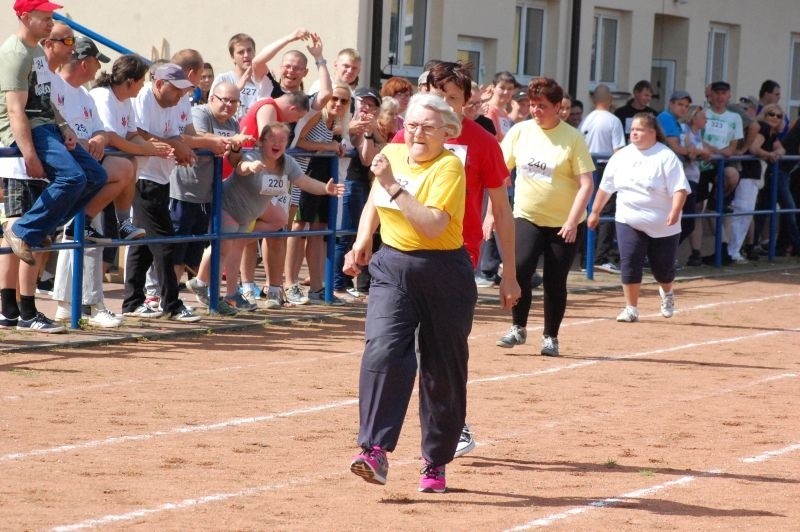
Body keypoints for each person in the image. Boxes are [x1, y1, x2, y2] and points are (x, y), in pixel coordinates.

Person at [346, 93, 474, 494]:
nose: (417, 133)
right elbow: (373, 198)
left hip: (443, 273)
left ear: (447, 132)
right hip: (392, 267)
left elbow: (432, 225)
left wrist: (391, 185)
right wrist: (364, 238)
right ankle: (374, 451)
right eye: (412, 124)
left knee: (441, 371)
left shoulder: (449, 167)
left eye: (427, 127)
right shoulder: (394, 153)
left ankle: (435, 461)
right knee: (382, 350)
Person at [394, 61, 520, 458]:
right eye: (436, 95)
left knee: (443, 352)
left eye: (452, 98)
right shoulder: (406, 136)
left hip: (456, 257)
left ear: (468, 102)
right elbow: (382, 190)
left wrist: (509, 273)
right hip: (405, 253)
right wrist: (365, 240)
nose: (443, 104)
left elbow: (501, 210)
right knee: (399, 349)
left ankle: (452, 426)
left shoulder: (483, 143)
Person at [186, 122, 343, 312]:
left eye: (282, 140)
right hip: (229, 206)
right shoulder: (254, 155)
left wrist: (325, 189)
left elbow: (304, 181)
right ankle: (209, 291)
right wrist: (250, 166)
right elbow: (241, 166)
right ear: (262, 142)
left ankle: (213, 288)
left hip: (248, 215)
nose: (277, 143)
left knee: (234, 247)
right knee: (222, 248)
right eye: (272, 139)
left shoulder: (287, 163)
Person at [0, 0, 108, 268]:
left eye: (51, 17)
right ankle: (22, 230)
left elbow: (46, 100)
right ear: (25, 17)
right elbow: (15, 111)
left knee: (96, 176)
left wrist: (64, 127)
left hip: (47, 125)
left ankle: (42, 228)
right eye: (44, 17)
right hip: (30, 127)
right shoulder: (14, 54)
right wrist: (29, 155)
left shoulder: (36, 51)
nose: (50, 22)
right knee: (72, 178)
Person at [496, 77, 595, 357]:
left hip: (565, 221)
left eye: (542, 106)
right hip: (527, 214)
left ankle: (550, 336)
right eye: (532, 105)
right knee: (521, 269)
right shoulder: (520, 132)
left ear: (558, 107)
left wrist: (572, 221)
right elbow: (501, 173)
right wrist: (493, 211)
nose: (535, 111)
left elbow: (586, 183)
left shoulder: (572, 138)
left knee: (555, 280)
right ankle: (518, 327)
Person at [588, 113, 690, 322]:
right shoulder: (621, 156)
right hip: (628, 218)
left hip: (663, 223)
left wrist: (675, 210)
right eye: (632, 129)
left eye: (640, 129)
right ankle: (631, 307)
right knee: (630, 261)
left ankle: (667, 292)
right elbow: (606, 188)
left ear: (652, 132)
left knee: (663, 269)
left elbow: (680, 188)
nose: (634, 133)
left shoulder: (665, 156)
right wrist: (595, 211)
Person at [120, 63, 201, 322]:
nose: (180, 95)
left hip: (161, 178)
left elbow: (174, 136)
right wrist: (176, 146)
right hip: (143, 177)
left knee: (143, 243)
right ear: (158, 84)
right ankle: (171, 304)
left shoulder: (174, 103)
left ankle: (133, 301)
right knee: (165, 242)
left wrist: (179, 149)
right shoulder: (144, 97)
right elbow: (140, 133)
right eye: (175, 89)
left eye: (182, 90)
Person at [285, 83, 352, 305]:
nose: (338, 104)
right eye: (335, 98)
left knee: (318, 230)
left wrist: (333, 145)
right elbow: (298, 141)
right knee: (297, 227)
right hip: (303, 174)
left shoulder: (337, 124)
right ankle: (290, 283)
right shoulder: (317, 117)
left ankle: (316, 288)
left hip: (324, 177)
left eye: (343, 100)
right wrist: (329, 146)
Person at [332, 87, 383, 301]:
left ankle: (347, 283)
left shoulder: (373, 128)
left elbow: (367, 158)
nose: (366, 108)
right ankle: (337, 284)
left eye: (372, 105)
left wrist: (370, 132)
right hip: (346, 181)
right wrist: (354, 129)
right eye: (363, 103)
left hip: (363, 182)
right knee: (344, 235)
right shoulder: (343, 121)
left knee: (359, 234)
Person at [579, 83, 625, 274]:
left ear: (592, 99)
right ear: (610, 100)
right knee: (605, 212)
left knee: (587, 210)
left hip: (585, 168)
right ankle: (601, 257)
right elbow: (618, 151)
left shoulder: (586, 120)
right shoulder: (613, 120)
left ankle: (585, 259)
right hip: (605, 167)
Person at [751, 104, 800, 256]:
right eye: (771, 114)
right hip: (777, 172)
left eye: (779, 116)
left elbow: (782, 149)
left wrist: (776, 153)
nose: (775, 118)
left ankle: (752, 245)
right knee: (789, 209)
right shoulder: (764, 129)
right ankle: (797, 246)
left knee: (763, 211)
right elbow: (754, 148)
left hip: (779, 172)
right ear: (764, 114)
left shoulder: (772, 133)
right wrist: (770, 155)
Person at [484, 71, 517, 141]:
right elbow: (492, 140)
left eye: (510, 89)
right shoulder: (488, 110)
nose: (506, 92)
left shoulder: (503, 111)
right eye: (502, 88)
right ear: (493, 88)